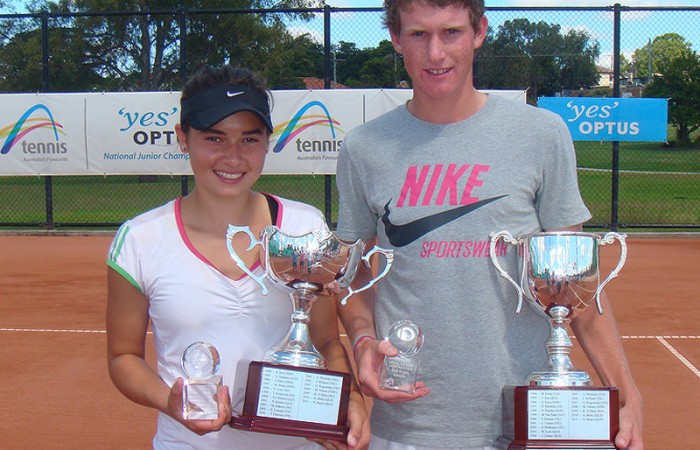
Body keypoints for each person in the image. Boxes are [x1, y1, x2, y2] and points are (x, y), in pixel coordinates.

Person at [333, 1, 644, 449]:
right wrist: (363, 342)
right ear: (396, 39)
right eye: (419, 34)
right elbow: (355, 272)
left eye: (451, 32)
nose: (435, 53)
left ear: (479, 31)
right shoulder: (364, 148)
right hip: (410, 424)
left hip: (531, 419)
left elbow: (576, 284)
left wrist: (628, 392)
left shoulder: (541, 134)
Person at [106, 64, 369, 450]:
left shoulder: (304, 225)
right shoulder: (140, 238)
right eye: (214, 138)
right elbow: (122, 356)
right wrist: (169, 401)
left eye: (249, 139)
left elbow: (327, 341)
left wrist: (352, 399)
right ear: (183, 138)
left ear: (267, 142)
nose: (232, 157)